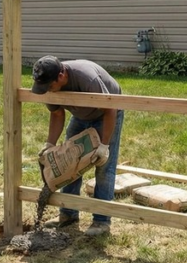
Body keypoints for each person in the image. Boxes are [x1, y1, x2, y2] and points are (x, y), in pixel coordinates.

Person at [31, 55, 123, 236]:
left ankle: (101, 222)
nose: (48, 91)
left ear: (62, 76)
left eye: (50, 86)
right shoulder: (49, 86)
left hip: (107, 113)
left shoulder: (88, 79)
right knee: (68, 159)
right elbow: (57, 114)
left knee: (104, 166)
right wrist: (50, 144)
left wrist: (104, 145)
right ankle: (68, 214)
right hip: (80, 115)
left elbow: (109, 109)